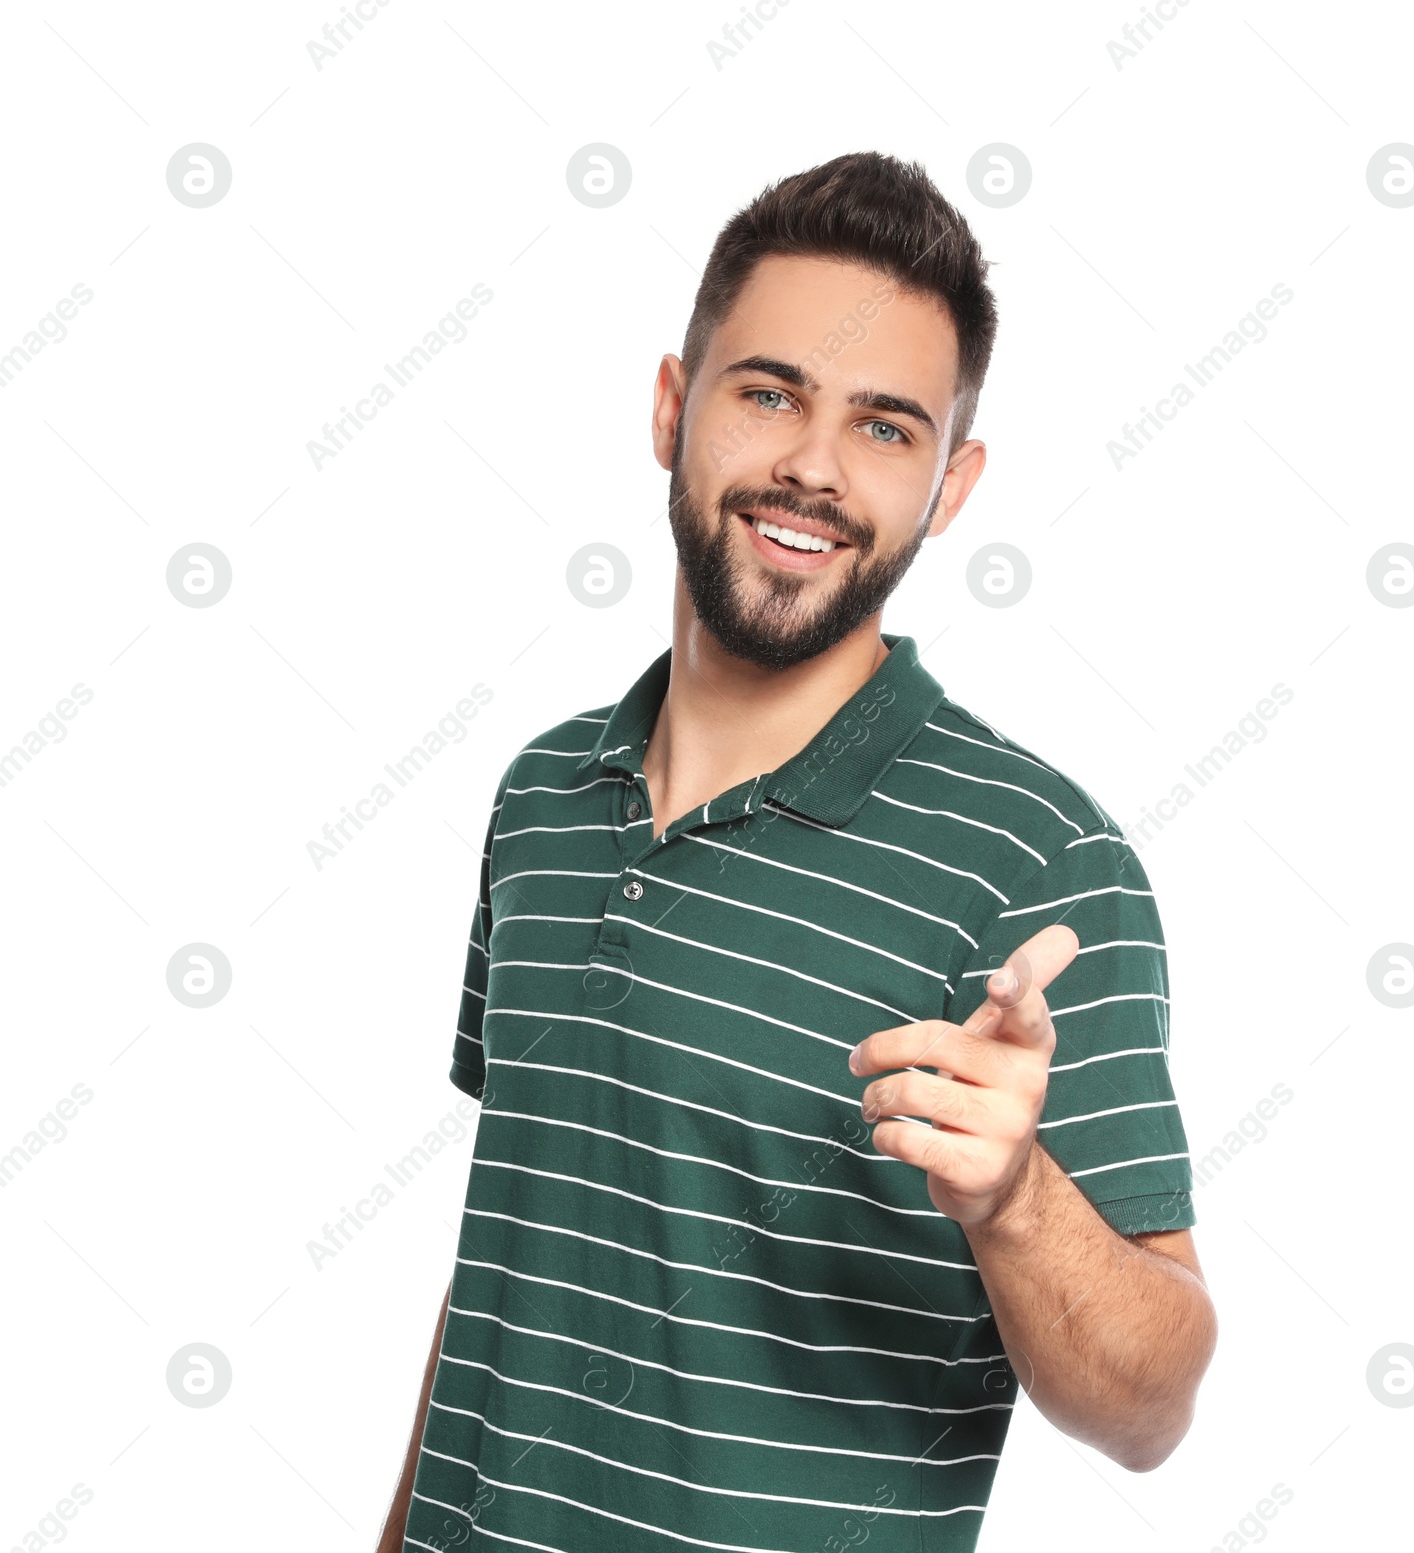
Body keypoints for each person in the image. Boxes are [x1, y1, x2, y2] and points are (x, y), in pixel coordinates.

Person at [380, 150, 1216, 1553]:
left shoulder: (1038, 864)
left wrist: (1012, 1196)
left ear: (950, 486)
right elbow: (507, 1269)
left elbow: (1152, 1408)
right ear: (671, 407)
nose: (814, 468)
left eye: (887, 427)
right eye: (769, 392)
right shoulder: (539, 796)